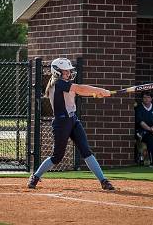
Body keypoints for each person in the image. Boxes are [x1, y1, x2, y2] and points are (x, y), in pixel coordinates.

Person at [27, 58, 115, 190]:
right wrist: (100, 90)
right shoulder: (58, 83)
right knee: (57, 157)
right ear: (57, 72)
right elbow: (79, 88)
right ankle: (36, 176)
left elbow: (79, 91)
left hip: (73, 120)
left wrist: (95, 93)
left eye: (69, 71)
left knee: (86, 151)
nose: (68, 73)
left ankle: (103, 180)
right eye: (65, 71)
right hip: (61, 123)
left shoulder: (65, 83)